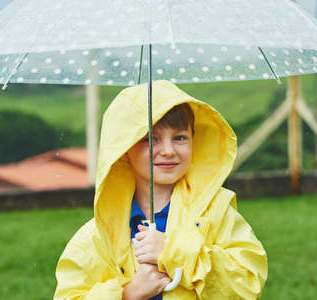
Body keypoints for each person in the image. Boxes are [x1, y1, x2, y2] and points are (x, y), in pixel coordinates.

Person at [54, 80, 267, 300]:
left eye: (180, 137)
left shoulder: (217, 213)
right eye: (150, 139)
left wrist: (173, 252)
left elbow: (246, 285)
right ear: (124, 149)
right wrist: (128, 294)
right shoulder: (98, 235)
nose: (168, 151)